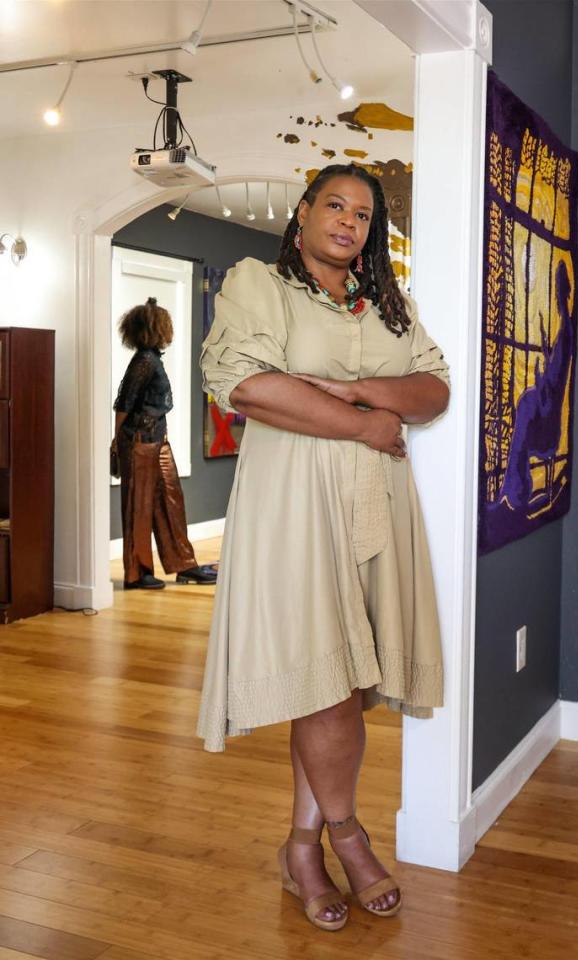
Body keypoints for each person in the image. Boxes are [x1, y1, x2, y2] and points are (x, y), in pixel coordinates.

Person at [196, 164, 449, 932]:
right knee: (329, 680)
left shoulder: (385, 307)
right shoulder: (258, 284)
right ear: (303, 213)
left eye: (364, 215)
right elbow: (245, 385)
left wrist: (353, 390)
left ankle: (300, 846)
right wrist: (370, 423)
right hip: (295, 504)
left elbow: (433, 387)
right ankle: (349, 835)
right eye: (334, 205)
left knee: (340, 678)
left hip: (377, 507)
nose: (348, 222)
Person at [112, 299, 218, 590]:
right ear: (156, 328)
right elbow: (124, 403)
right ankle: (136, 574)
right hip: (138, 442)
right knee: (139, 508)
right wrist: (116, 441)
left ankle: (184, 565)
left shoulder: (151, 360)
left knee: (171, 502)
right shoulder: (144, 361)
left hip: (157, 441)